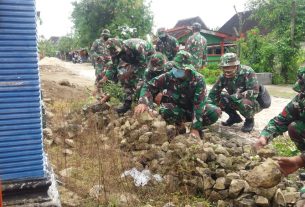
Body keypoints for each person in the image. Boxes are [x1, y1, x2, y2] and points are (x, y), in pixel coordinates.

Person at [134, 50, 222, 139]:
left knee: (215, 112)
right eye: (174, 67)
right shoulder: (169, 76)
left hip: (193, 110)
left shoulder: (198, 80)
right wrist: (143, 102)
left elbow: (199, 105)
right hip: (178, 111)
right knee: (165, 109)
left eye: (179, 68)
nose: (175, 70)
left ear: (188, 70)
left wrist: (195, 129)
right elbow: (148, 86)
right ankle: (180, 126)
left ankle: (196, 126)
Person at [255, 67, 305, 176]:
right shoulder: (301, 99)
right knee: (295, 127)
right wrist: (265, 136)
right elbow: (281, 120)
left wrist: (299, 160)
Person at [208, 53, 261, 132]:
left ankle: (249, 120)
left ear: (236, 65)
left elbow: (254, 92)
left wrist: (235, 96)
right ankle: (234, 117)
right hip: (235, 100)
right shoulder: (223, 77)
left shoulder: (247, 72)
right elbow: (213, 93)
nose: (227, 69)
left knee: (244, 103)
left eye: (229, 67)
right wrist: (208, 106)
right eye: (224, 67)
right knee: (221, 98)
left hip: (253, 102)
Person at [102, 38, 155, 114]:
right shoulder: (115, 52)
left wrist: (130, 73)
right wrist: (105, 77)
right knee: (123, 77)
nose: (117, 55)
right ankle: (127, 103)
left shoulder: (137, 47)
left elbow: (142, 66)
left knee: (143, 80)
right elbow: (113, 67)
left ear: (121, 45)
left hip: (148, 57)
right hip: (135, 61)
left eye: (118, 53)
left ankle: (146, 103)